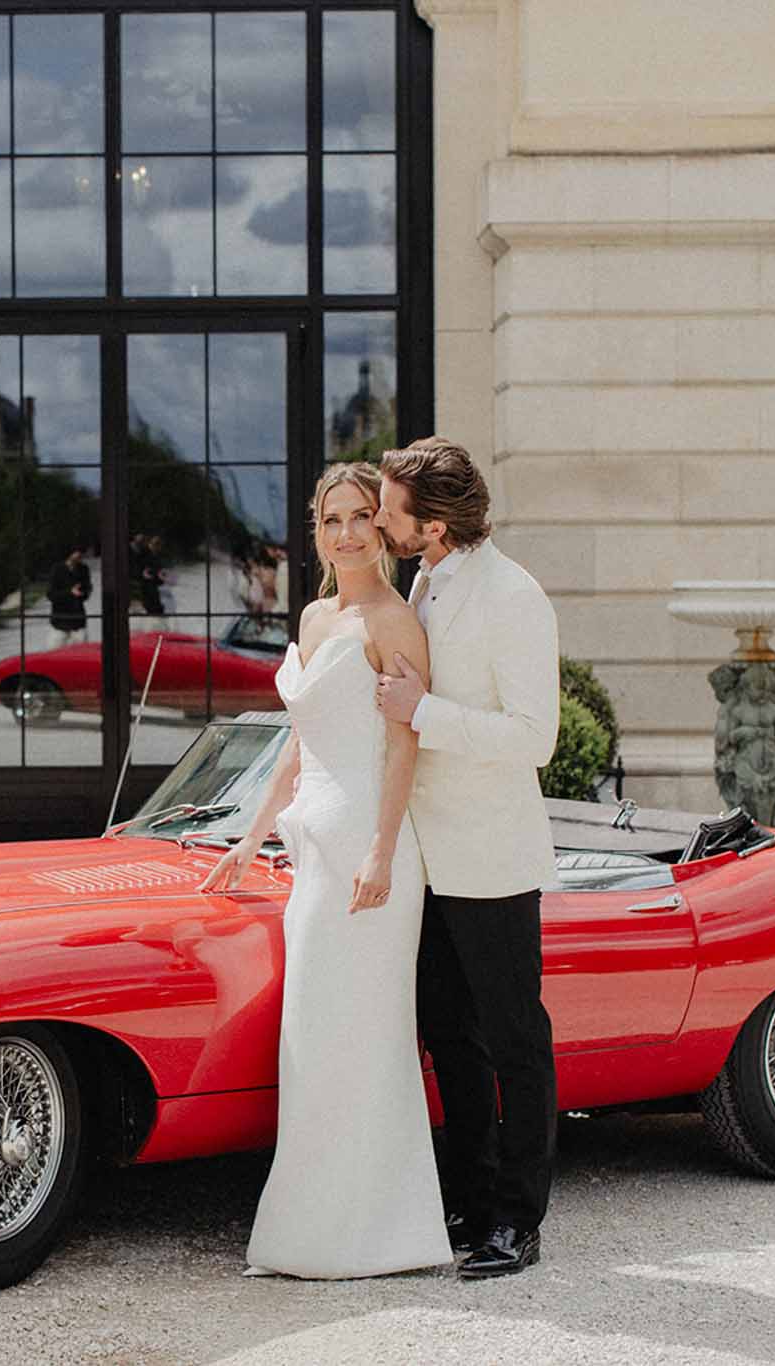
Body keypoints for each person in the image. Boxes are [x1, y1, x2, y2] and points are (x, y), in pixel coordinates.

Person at [198, 462, 451, 1280]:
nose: (346, 533)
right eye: (331, 518)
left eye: (362, 517)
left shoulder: (397, 620)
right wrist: (249, 835)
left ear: (384, 527)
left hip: (371, 850)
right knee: (313, 1034)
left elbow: (406, 743)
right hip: (313, 844)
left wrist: (382, 848)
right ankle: (311, 1227)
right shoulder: (310, 617)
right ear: (315, 529)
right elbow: (298, 746)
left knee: (367, 1036)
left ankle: (379, 1232)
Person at [372, 435, 561, 1281]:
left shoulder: (515, 596)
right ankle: (471, 1200)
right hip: (427, 859)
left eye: (389, 509)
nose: (379, 521)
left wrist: (424, 711)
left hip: (491, 855)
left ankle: (519, 1220)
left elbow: (536, 738)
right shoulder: (425, 578)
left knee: (516, 1041)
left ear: (436, 526)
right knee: (449, 1037)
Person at [47, 546, 92, 648]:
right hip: (60, 620)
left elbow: (87, 590)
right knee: (55, 652)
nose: (80, 555)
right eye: (77, 552)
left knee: (81, 652)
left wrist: (82, 593)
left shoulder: (83, 569)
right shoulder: (57, 569)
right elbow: (51, 595)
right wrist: (70, 592)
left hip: (78, 620)